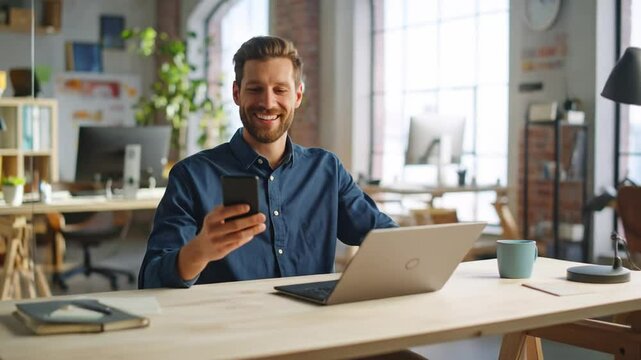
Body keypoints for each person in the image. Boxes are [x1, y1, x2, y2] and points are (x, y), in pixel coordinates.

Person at [139, 36, 397, 289]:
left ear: (297, 96)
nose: (268, 102)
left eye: (280, 90)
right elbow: (151, 279)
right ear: (237, 93)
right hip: (231, 326)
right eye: (255, 89)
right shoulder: (191, 175)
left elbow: (386, 238)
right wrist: (200, 251)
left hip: (312, 325)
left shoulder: (327, 169)